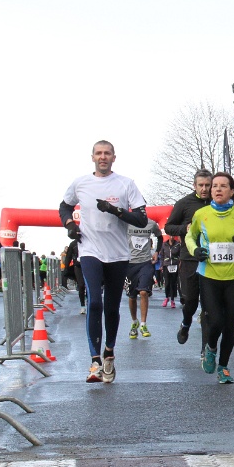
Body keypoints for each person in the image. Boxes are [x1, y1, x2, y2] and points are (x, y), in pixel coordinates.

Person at [59, 140, 148, 383]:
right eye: (98, 153)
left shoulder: (126, 184)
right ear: (92, 157)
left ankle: (109, 352)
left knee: (111, 307)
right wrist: (70, 225)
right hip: (90, 250)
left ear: (113, 157)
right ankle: (95, 362)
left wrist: (115, 210)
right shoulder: (80, 183)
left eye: (107, 153)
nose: (103, 157)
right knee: (95, 302)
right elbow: (64, 207)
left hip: (118, 254)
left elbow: (141, 219)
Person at [185, 172, 234, 384]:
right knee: (216, 319)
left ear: (231, 191)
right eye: (214, 186)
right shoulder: (201, 214)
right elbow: (190, 237)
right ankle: (210, 347)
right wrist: (195, 250)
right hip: (209, 274)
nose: (217, 189)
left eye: (223, 186)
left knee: (229, 324)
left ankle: (224, 367)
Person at [164, 169, 212, 352]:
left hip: (211, 260)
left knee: (208, 306)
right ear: (194, 185)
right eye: (201, 185)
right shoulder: (184, 203)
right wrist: (185, 228)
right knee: (190, 301)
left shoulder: (217, 203)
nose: (204, 189)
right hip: (189, 258)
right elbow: (168, 227)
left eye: (207, 185)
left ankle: (205, 350)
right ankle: (185, 324)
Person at [126, 217, 163, 339]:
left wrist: (157, 252)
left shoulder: (151, 223)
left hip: (146, 263)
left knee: (143, 292)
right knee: (132, 296)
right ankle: (134, 322)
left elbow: (160, 237)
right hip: (130, 264)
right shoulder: (127, 222)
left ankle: (143, 324)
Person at [65, 239, 87, 314]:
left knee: (89, 285)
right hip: (78, 266)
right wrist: (66, 268)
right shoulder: (73, 244)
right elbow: (68, 256)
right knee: (81, 285)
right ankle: (82, 306)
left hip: (89, 265)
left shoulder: (90, 240)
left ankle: (89, 300)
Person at [160, 236, 182, 308]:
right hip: (166, 265)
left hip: (175, 265)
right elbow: (162, 255)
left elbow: (180, 255)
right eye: (170, 236)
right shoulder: (164, 244)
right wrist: (161, 265)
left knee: (173, 283)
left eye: (173, 236)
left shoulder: (177, 245)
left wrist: (179, 264)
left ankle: (172, 300)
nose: (171, 237)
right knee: (167, 283)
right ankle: (167, 297)